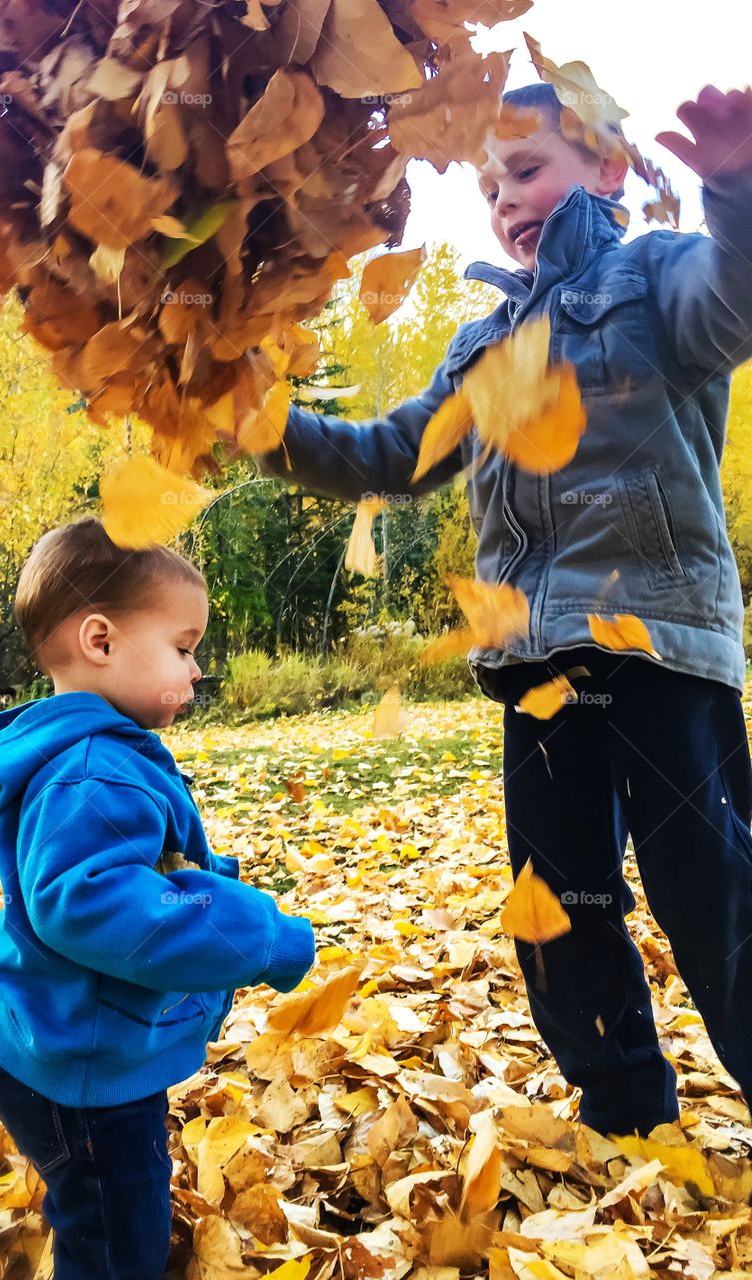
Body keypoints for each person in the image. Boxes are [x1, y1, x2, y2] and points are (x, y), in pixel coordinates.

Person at [257, 82, 752, 1137]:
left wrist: (736, 185)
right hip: (533, 665)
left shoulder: (655, 276)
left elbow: (738, 296)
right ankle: (625, 1110)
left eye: (524, 171)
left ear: (609, 169)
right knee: (557, 906)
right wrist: (264, 421)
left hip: (656, 636)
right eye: (489, 187)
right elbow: (388, 453)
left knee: (711, 893)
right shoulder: (478, 346)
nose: (505, 201)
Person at [0, 517, 316, 1280]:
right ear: (99, 641)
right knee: (115, 1235)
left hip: (68, 1041)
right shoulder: (93, 769)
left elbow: (137, 868)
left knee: (106, 1208)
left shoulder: (94, 751)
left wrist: (203, 881)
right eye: (182, 646)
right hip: (84, 1073)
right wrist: (257, 933)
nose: (196, 669)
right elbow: (89, 905)